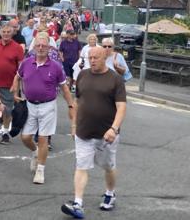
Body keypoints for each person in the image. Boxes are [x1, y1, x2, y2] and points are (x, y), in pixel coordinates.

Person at [61, 46, 127, 219]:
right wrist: (74, 124)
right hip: (84, 131)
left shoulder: (115, 79)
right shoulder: (83, 75)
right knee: (81, 166)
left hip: (107, 134)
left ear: (105, 56)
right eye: (90, 57)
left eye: (96, 57)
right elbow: (77, 101)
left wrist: (114, 128)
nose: (92, 60)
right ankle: (77, 203)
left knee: (108, 166)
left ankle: (110, 193)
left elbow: (121, 107)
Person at [13, 32, 74, 184]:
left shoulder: (56, 67)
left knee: (43, 138)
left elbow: (64, 88)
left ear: (49, 47)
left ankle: (40, 170)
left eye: (44, 45)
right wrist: (15, 92)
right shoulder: (26, 63)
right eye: (38, 45)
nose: (41, 48)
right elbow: (17, 76)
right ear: (33, 47)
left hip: (48, 106)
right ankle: (35, 153)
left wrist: (71, 104)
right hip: (30, 105)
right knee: (25, 137)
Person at [0, 25, 24, 144]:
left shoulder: (17, 48)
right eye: (4, 32)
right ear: (0, 32)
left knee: (7, 110)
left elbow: (21, 68)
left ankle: (5, 132)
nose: (6, 34)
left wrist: (17, 85)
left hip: (9, 84)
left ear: (12, 33)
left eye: (9, 32)